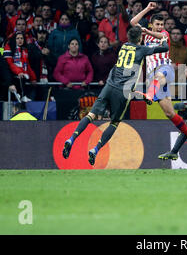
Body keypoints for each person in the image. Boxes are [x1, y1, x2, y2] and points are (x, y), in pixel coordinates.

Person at [62, 26, 170, 165]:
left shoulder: (124, 46)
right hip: (122, 91)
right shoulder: (142, 49)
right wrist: (164, 38)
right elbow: (165, 48)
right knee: (114, 122)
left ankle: (71, 139)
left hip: (109, 85)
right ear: (140, 38)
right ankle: (95, 149)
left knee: (91, 115)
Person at [130, 2, 187, 154]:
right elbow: (133, 22)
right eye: (157, 24)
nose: (160, 26)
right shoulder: (145, 35)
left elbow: (161, 35)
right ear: (152, 24)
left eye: (162, 24)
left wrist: (147, 31)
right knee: (169, 113)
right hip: (153, 76)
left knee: (160, 75)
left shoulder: (164, 35)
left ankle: (149, 94)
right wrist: (148, 9)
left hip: (165, 69)